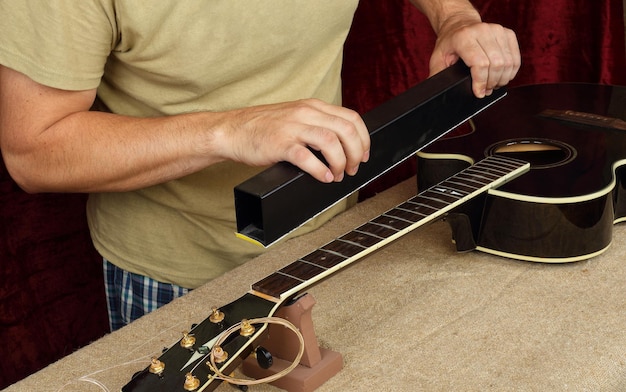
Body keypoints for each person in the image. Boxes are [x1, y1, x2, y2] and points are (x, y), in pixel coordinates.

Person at [0, 0, 520, 331]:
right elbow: (33, 151)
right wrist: (231, 130)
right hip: (179, 271)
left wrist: (454, 15)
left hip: (337, 233)